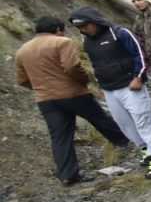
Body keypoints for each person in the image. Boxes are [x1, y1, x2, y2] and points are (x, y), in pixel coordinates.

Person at [15, 17, 131, 186]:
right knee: (99, 118)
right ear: (57, 29)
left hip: (46, 99)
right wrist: (84, 80)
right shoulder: (62, 42)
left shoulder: (22, 50)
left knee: (60, 137)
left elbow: (22, 80)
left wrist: (41, 87)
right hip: (73, 93)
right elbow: (71, 66)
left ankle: (68, 175)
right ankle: (124, 142)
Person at [69, 6, 151, 179]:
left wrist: (139, 77)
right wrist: (101, 85)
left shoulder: (120, 33)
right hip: (109, 89)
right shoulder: (87, 40)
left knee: (144, 121)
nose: (83, 29)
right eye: (79, 27)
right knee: (125, 124)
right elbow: (96, 64)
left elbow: (140, 55)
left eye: (85, 25)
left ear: (95, 21)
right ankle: (145, 150)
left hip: (131, 85)